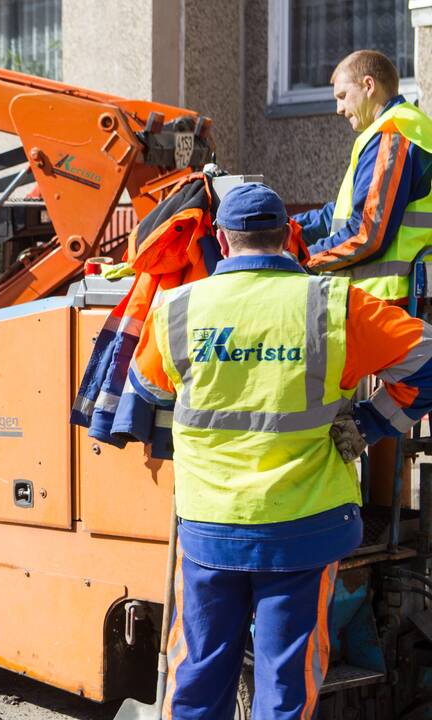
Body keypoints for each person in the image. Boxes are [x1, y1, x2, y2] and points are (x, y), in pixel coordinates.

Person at [127, 183, 432, 718]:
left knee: (199, 674)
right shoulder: (333, 305)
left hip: (210, 527)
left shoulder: (176, 309)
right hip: (305, 526)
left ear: (221, 240)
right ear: (289, 237)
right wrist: (370, 422)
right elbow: (426, 362)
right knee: (285, 686)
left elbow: (146, 393)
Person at [294, 49, 432, 303]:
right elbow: (342, 213)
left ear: (369, 85)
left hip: (388, 305)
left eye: (343, 96)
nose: (339, 108)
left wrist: (301, 260)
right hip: (399, 301)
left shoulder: (392, 133)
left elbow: (366, 232)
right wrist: (289, 228)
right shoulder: (409, 127)